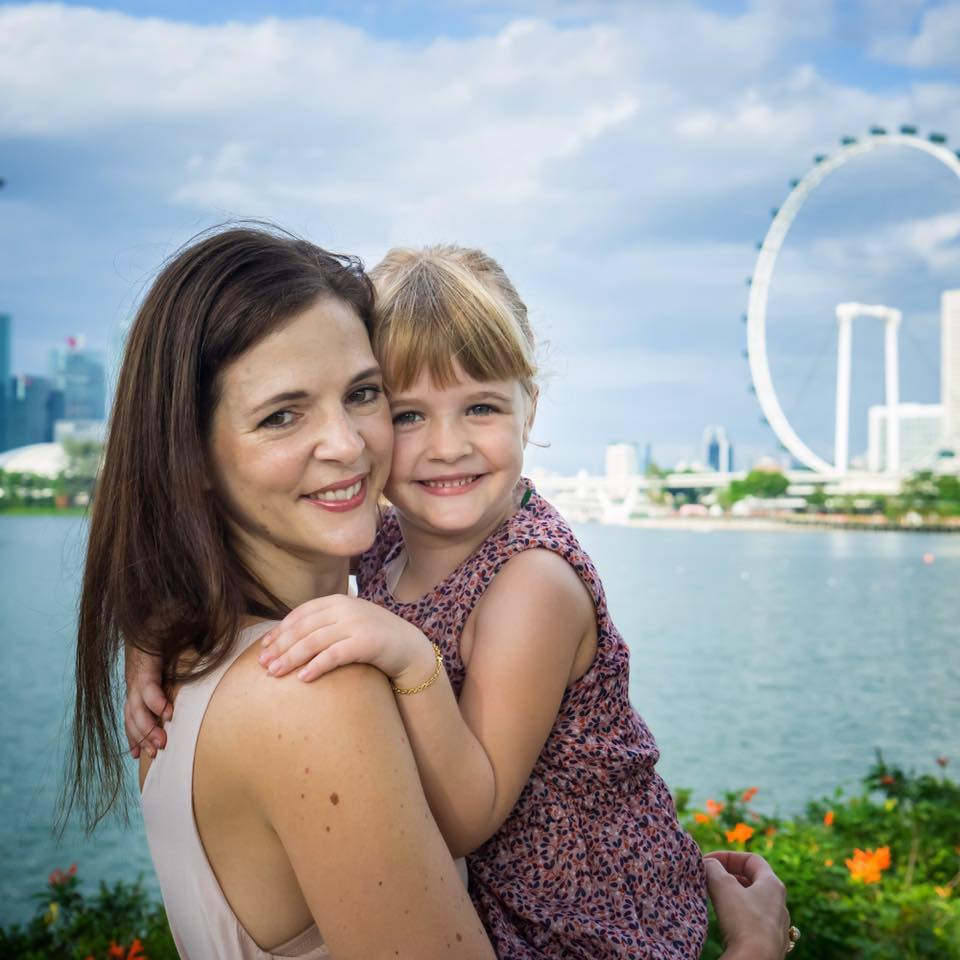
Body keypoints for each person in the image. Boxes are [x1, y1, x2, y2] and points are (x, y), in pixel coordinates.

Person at [124, 237, 794, 960]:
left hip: (589, 921)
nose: (444, 447)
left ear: (529, 410)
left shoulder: (530, 581)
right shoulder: (378, 550)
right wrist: (150, 632)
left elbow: (471, 815)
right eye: (408, 414)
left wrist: (412, 664)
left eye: (480, 407)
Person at [67, 227, 498, 959]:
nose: (348, 444)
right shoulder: (314, 690)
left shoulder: (189, 655)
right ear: (191, 456)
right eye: (282, 415)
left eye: (363, 394)